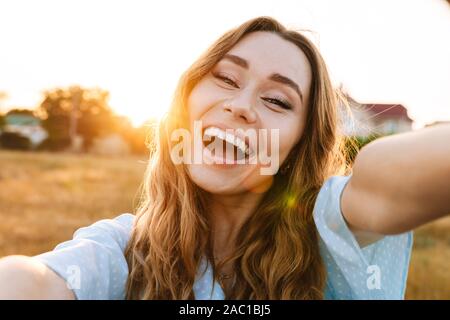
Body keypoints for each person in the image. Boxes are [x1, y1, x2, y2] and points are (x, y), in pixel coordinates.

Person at [0, 16, 449, 300]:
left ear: (298, 147)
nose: (241, 105)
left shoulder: (330, 230)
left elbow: (387, 181)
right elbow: (34, 282)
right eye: (226, 78)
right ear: (185, 102)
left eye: (276, 100)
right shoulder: (119, 250)